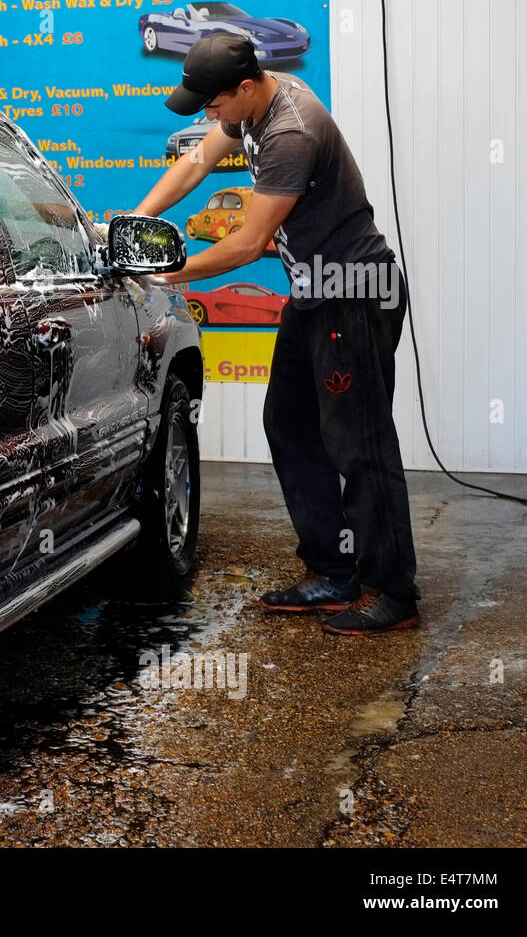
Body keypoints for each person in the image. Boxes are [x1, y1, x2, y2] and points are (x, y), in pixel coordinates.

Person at [133, 32, 420, 634]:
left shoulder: (291, 130)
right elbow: (196, 162)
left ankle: (392, 590)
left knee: (360, 444)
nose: (209, 116)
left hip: (353, 294)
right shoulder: (253, 106)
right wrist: (138, 220)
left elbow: (247, 242)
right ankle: (335, 568)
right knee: (289, 422)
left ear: (243, 86)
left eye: (212, 104)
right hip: (315, 292)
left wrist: (169, 272)